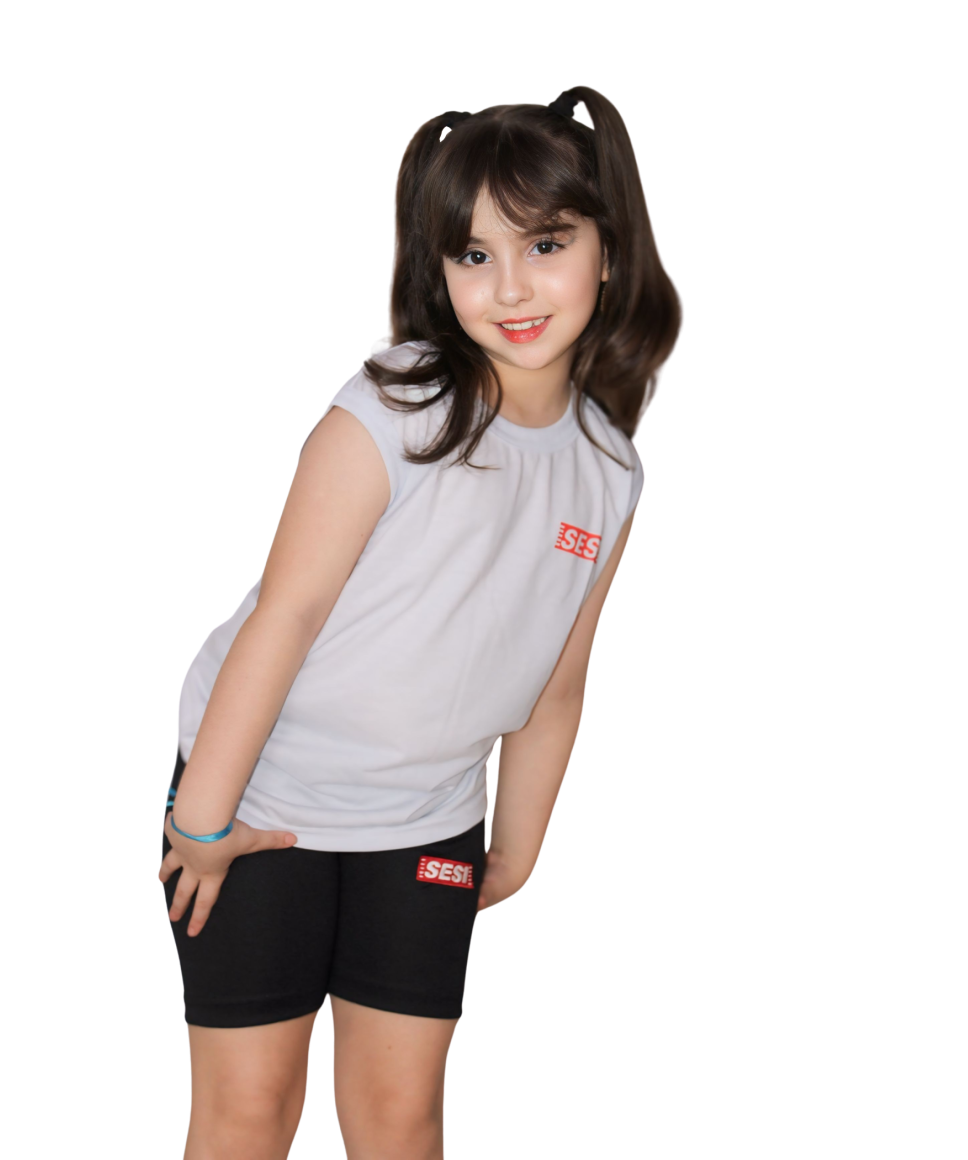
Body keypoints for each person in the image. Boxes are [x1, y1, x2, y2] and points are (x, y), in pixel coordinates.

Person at [156, 85, 684, 1159]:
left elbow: (558, 683)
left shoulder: (609, 469)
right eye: (473, 255)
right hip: (264, 799)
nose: (511, 286)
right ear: (438, 272)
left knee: (401, 1115)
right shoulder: (394, 405)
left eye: (545, 243)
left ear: (608, 252)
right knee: (251, 1108)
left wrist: (517, 846)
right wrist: (203, 819)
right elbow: (286, 614)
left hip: (428, 816)